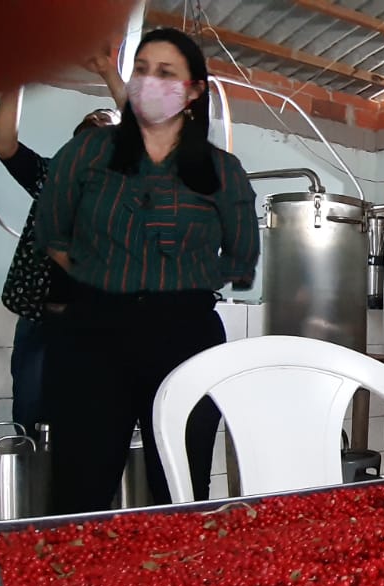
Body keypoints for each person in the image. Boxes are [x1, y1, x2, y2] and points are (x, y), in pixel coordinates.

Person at [34, 27, 259, 514]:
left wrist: (176, 280)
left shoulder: (222, 171)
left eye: (165, 73)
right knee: (80, 487)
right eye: (140, 69)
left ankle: (176, 585)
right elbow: (52, 233)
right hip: (92, 333)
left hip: (184, 336)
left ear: (194, 89)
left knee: (179, 486)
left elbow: (242, 257)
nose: (148, 82)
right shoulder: (86, 155)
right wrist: (107, 276)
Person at [0, 46, 125, 440]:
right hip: (40, 320)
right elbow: (3, 143)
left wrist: (111, 76)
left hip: (95, 325)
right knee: (30, 419)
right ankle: (36, 500)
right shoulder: (53, 180)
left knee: (86, 426)